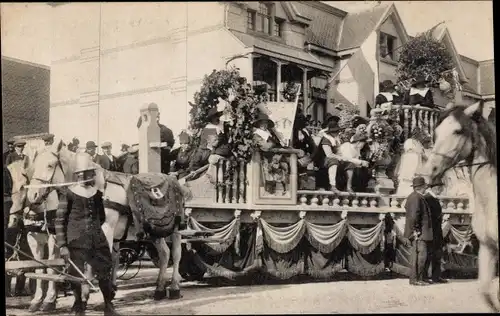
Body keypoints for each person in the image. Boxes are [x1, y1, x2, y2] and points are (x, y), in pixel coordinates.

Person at [55, 153, 120, 316]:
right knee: (75, 274)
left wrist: (96, 232)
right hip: (76, 240)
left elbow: (102, 217)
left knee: (105, 268)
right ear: (77, 175)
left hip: (97, 239)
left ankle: (108, 305)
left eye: (88, 173)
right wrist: (63, 245)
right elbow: (59, 220)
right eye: (81, 173)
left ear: (92, 174)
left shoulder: (97, 194)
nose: (84, 176)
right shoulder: (68, 193)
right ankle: (78, 306)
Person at [404, 176, 433, 286]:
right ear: (421, 187)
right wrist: (415, 230)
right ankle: (416, 279)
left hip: (419, 232)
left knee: (420, 256)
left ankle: (419, 278)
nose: (426, 188)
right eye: (424, 186)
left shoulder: (413, 197)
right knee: (420, 256)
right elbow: (414, 215)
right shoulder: (417, 198)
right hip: (420, 233)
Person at [253, 112, 289, 194]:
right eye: (262, 123)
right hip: (266, 158)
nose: (264, 125)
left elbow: (278, 142)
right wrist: (273, 144)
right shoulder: (257, 135)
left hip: (275, 157)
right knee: (269, 176)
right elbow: (265, 147)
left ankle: (282, 190)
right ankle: (269, 192)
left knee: (282, 171)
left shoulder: (269, 133)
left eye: (265, 123)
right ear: (258, 124)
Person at [424, 182, 448, 284]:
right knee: (429, 255)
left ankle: (436, 277)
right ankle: (426, 277)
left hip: (436, 232)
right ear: (436, 188)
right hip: (432, 232)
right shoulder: (428, 198)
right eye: (441, 188)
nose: (441, 190)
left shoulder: (432, 198)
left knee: (436, 255)